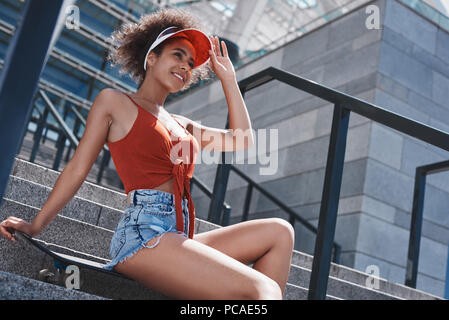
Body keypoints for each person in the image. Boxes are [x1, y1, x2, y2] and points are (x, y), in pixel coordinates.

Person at [0, 8, 294, 300]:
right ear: (151, 58)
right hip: (144, 236)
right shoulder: (114, 102)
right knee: (262, 289)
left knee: (280, 232)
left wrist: (229, 79)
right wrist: (35, 224)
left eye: (190, 62)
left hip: (179, 235)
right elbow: (78, 168)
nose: (185, 66)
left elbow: (241, 140)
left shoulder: (183, 124)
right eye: (178, 55)